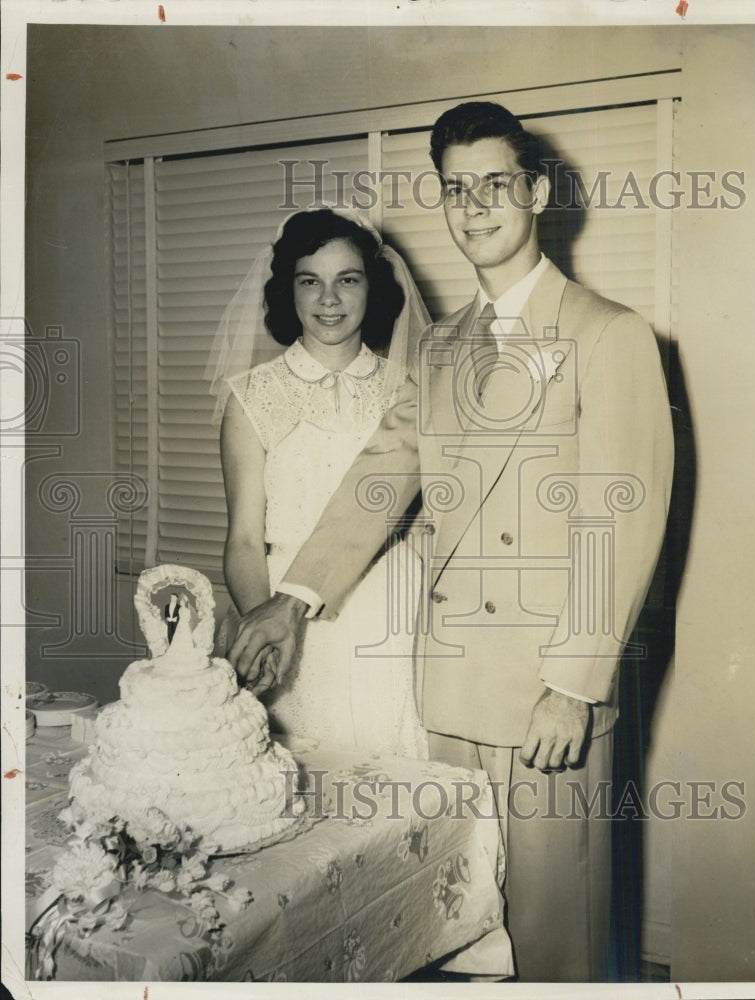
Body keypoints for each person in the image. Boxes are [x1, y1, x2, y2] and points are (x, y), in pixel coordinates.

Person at [227, 105, 674, 981]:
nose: (475, 207)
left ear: (537, 193)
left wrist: (574, 688)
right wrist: (293, 597)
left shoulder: (608, 333)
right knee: (458, 934)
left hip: (545, 698)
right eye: (456, 189)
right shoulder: (437, 350)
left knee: (555, 942)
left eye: (495, 184)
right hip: (445, 688)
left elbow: (619, 519)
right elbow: (379, 478)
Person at [209, 207, 429, 758]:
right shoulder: (250, 396)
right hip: (289, 617)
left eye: (346, 280)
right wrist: (261, 630)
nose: (328, 300)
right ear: (289, 290)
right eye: (310, 281)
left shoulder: (409, 390)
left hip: (393, 614)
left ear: (371, 289)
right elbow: (241, 540)